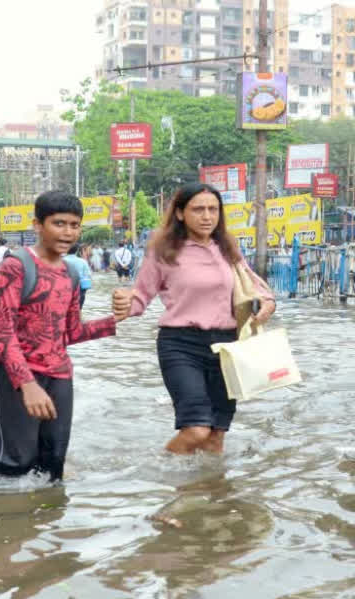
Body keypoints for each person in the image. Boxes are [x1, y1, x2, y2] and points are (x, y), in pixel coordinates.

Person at [112, 183, 276, 455]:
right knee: (196, 430)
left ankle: (208, 492)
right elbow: (140, 298)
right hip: (180, 345)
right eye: (198, 209)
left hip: (228, 346)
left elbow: (253, 286)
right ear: (179, 213)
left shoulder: (227, 248)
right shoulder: (163, 251)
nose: (207, 216)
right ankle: (159, 474)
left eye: (213, 209)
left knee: (215, 438)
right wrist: (123, 303)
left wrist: (269, 303)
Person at [0, 190, 123, 481]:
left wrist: (115, 321)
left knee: (52, 466)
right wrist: (27, 384)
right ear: (37, 225)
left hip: (59, 376)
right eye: (59, 223)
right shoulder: (15, 266)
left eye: (74, 225)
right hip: (14, 379)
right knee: (15, 466)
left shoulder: (70, 273)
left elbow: (69, 333)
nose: (68, 232)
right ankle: (9, 522)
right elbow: (2, 331)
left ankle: (48, 523)